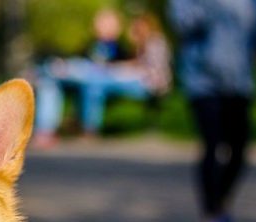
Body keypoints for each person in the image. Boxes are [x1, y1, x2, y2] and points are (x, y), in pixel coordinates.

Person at [168, 0, 256, 222]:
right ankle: (211, 212)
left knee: (239, 149)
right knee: (212, 144)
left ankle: (220, 200)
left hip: (240, 79)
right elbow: (181, 21)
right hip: (202, 80)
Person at [34, 10, 171, 145]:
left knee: (93, 82)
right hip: (94, 77)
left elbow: (149, 71)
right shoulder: (94, 44)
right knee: (51, 81)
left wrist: (120, 68)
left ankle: (86, 128)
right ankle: (46, 130)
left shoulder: (151, 42)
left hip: (147, 84)